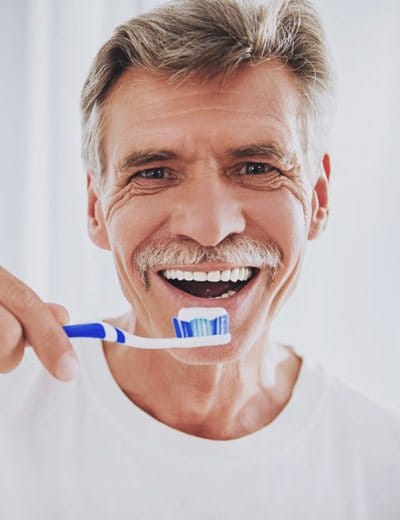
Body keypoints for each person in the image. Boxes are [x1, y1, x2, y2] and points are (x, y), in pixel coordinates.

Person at [0, 0, 399, 518]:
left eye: (256, 166)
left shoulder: (383, 471)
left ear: (317, 199)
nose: (209, 226)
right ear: (96, 208)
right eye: (154, 173)